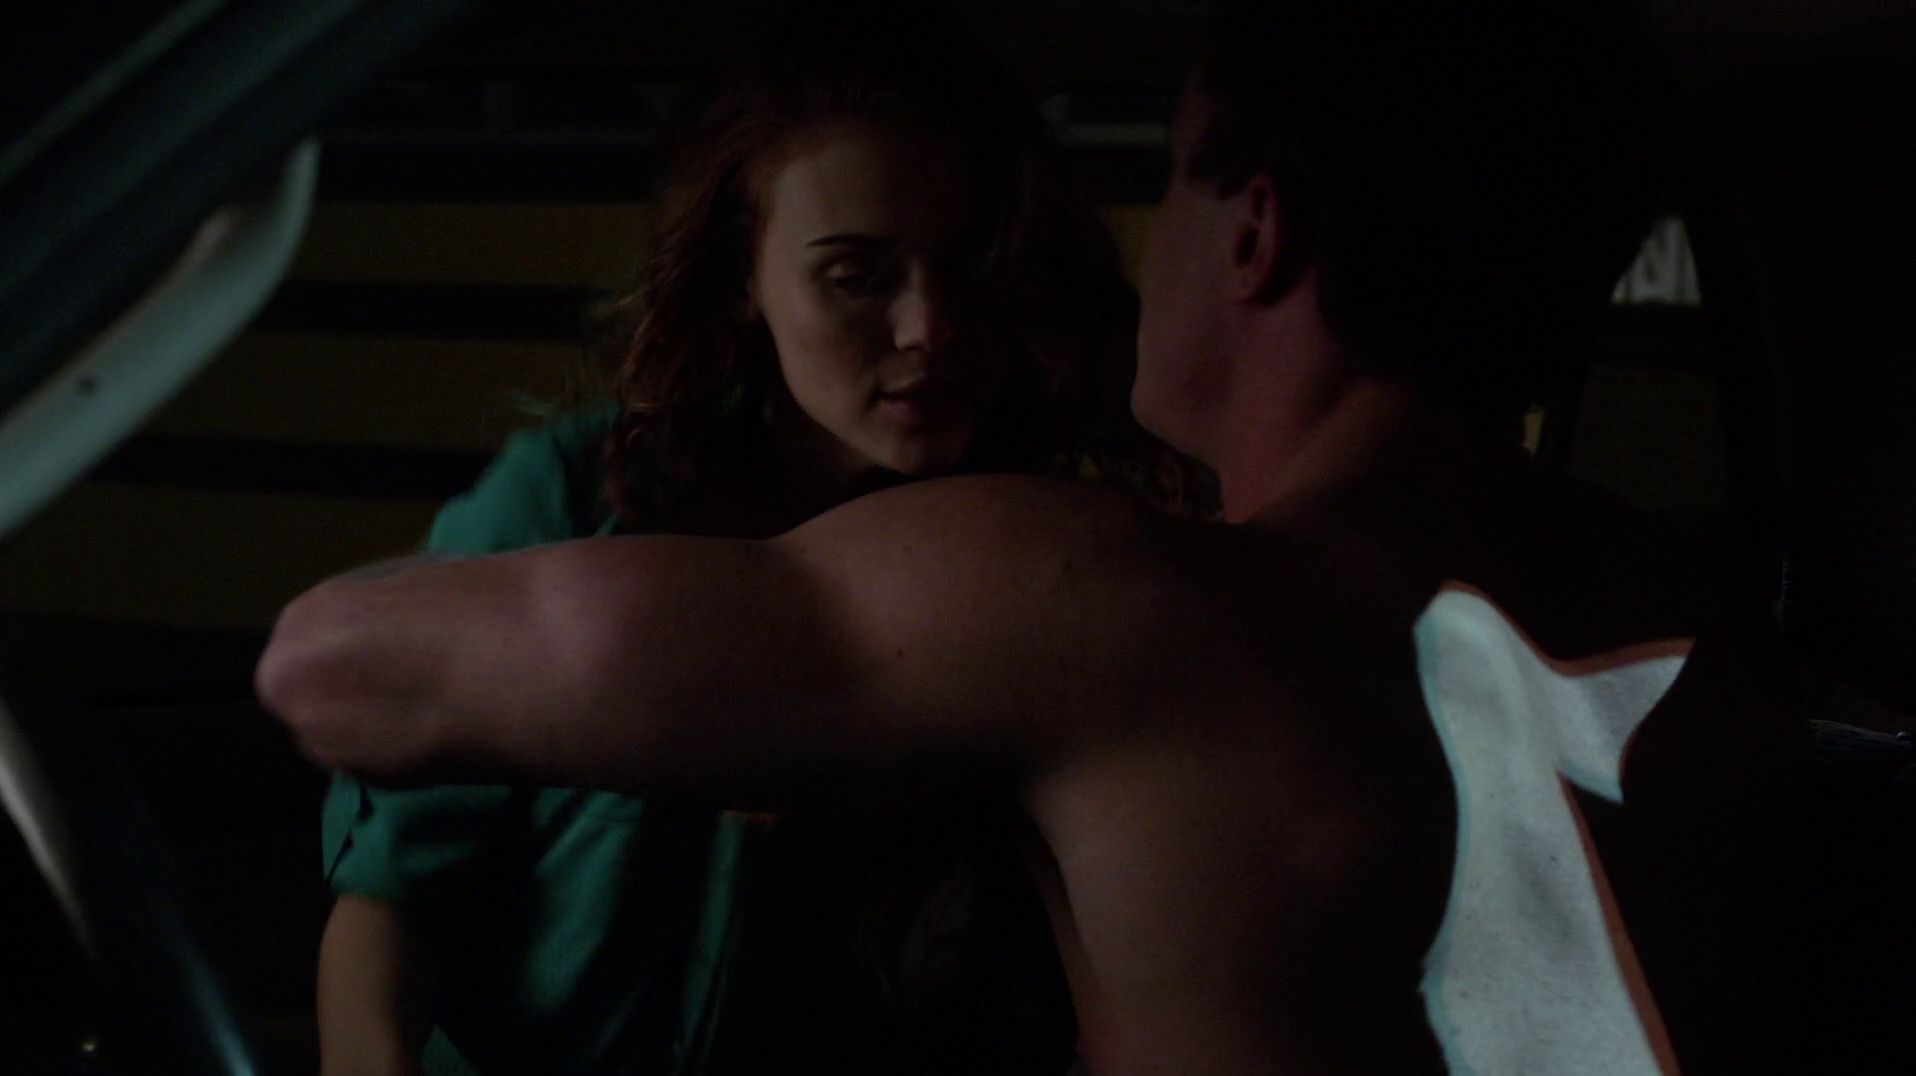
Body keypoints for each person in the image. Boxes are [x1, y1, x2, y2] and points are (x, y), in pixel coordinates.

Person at [262, 1, 1810, 1073]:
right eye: (859, 273)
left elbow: (338, 668)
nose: (931, 325)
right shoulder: (1721, 645)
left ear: (1254, 231)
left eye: (1166, 185)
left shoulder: (1098, 600)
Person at [309, 4, 1194, 1074]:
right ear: (741, 274)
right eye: (856, 274)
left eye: (968, 263)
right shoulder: (571, 508)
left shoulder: (1046, 563)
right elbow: (386, 919)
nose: (931, 327)